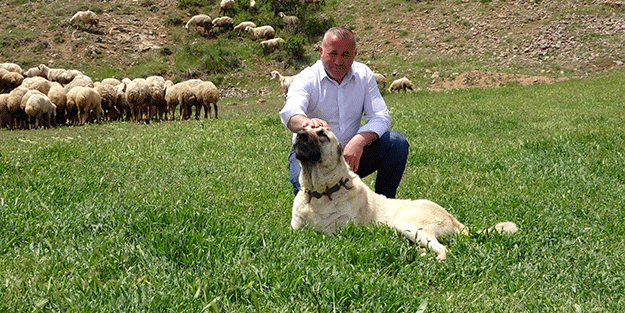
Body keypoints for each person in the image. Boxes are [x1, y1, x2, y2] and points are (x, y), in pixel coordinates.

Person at [279, 27, 409, 198]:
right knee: (308, 193)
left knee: (396, 143)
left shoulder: (364, 75)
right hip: (313, 156)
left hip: (351, 157)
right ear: (321, 52)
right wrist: (307, 123)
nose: (338, 61)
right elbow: (290, 112)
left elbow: (380, 116)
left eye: (345, 55)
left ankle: (384, 205)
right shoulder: (306, 78)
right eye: (333, 53)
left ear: (355, 55)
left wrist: (359, 141)